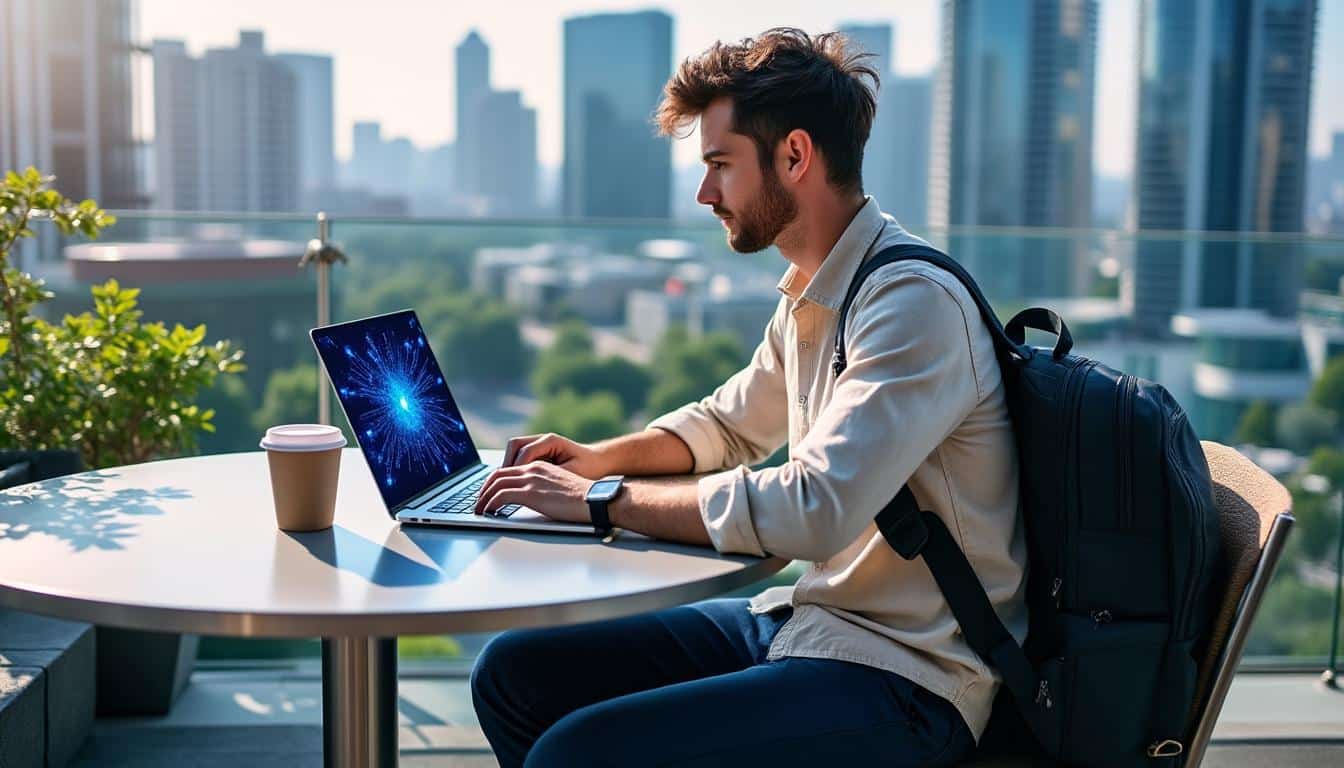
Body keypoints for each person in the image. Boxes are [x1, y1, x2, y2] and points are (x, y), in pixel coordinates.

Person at [470, 27, 1024, 768]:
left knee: (575, 754)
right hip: (813, 622)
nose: (705, 193)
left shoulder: (912, 303)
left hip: (912, 679)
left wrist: (603, 499)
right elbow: (726, 427)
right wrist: (594, 460)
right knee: (514, 673)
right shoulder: (816, 289)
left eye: (720, 165)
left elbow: (816, 508)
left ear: (794, 156)